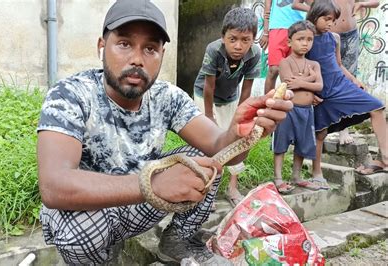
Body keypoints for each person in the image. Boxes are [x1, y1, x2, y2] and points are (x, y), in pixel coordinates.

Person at [36, 0, 293, 264]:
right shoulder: (70, 95)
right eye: (124, 44)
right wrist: (152, 183)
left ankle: (176, 241)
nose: (137, 59)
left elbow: (220, 148)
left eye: (150, 48)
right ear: (102, 46)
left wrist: (241, 132)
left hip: (139, 206)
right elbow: (55, 186)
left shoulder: (166, 96)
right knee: (78, 231)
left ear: (161, 53)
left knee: (205, 161)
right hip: (90, 211)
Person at [305, 0, 387, 182]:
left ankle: (386, 160)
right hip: (322, 92)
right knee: (320, 133)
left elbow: (339, 65)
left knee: (377, 107)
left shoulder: (334, 38)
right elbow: (299, 66)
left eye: (333, 20)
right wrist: (309, 93)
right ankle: (316, 173)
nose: (330, 24)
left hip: (342, 85)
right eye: (326, 19)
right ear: (314, 16)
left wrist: (354, 79)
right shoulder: (306, 39)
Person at [193, 7, 261, 208]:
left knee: (237, 139)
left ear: (253, 39)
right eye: (233, 39)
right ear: (223, 37)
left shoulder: (254, 55)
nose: (239, 46)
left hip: (231, 97)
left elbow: (247, 90)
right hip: (206, 96)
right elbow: (208, 86)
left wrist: (242, 118)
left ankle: (232, 188)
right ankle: (205, 191)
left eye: (245, 40)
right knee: (207, 142)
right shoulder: (214, 50)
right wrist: (208, 117)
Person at [293, 0, 380, 145]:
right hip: (323, 37)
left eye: (332, 19)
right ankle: (319, 129)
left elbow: (376, 2)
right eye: (327, 19)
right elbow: (296, 4)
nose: (331, 21)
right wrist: (318, 11)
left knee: (346, 81)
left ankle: (343, 128)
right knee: (323, 81)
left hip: (350, 34)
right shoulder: (310, 38)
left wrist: (362, 4)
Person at [271, 20, 324, 194]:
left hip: (307, 111)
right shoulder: (285, 62)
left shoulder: (314, 64)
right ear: (289, 42)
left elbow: (319, 87)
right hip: (288, 109)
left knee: (303, 143)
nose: (305, 43)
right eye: (300, 39)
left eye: (309, 39)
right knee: (281, 143)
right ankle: (278, 178)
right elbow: (289, 84)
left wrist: (302, 80)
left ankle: (296, 176)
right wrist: (310, 78)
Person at [259, 0, 310, 94]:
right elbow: (267, 7)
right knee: (274, 69)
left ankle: (292, 103)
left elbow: (313, 4)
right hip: (277, 26)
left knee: (295, 71)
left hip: (298, 28)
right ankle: (267, 103)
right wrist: (266, 32)